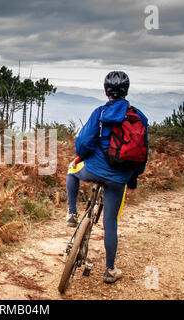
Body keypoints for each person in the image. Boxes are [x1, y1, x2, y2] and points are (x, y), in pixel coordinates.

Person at [65, 71, 148, 283]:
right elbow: (142, 154)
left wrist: (82, 157)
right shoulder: (140, 117)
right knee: (110, 223)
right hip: (119, 179)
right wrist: (133, 178)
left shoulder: (100, 112)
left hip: (93, 169)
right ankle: (110, 270)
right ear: (126, 91)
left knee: (71, 170)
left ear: (105, 90)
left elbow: (83, 143)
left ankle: (71, 214)